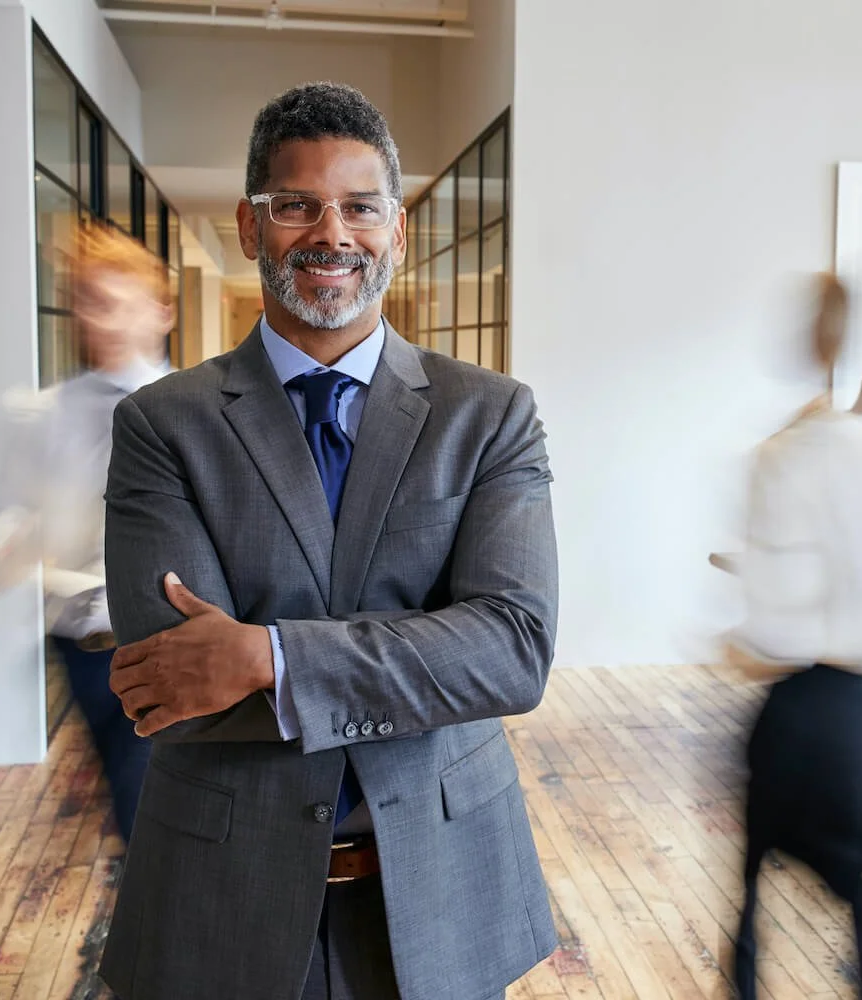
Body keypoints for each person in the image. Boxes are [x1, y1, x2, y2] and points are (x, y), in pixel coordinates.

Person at [96, 83, 559, 1000]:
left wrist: (266, 654)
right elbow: (173, 687)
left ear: (397, 230)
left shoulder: (490, 417)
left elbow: (511, 652)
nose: (330, 233)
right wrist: (426, 651)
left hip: (442, 882)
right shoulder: (161, 425)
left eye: (359, 207)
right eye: (296, 205)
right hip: (227, 889)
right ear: (249, 225)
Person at [729, 274, 862, 1000]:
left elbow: (772, 618)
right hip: (848, 705)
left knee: (759, 880)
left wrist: (743, 643)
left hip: (795, 706)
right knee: (847, 882)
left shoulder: (779, 455)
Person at [0, 223, 168, 843]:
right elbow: (4, 521)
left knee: (146, 818)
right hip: (82, 651)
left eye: (114, 300)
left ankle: (154, 931)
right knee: (131, 819)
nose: (98, 317)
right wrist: (2, 550)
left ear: (158, 311)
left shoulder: (194, 410)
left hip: (165, 647)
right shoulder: (42, 415)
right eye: (87, 301)